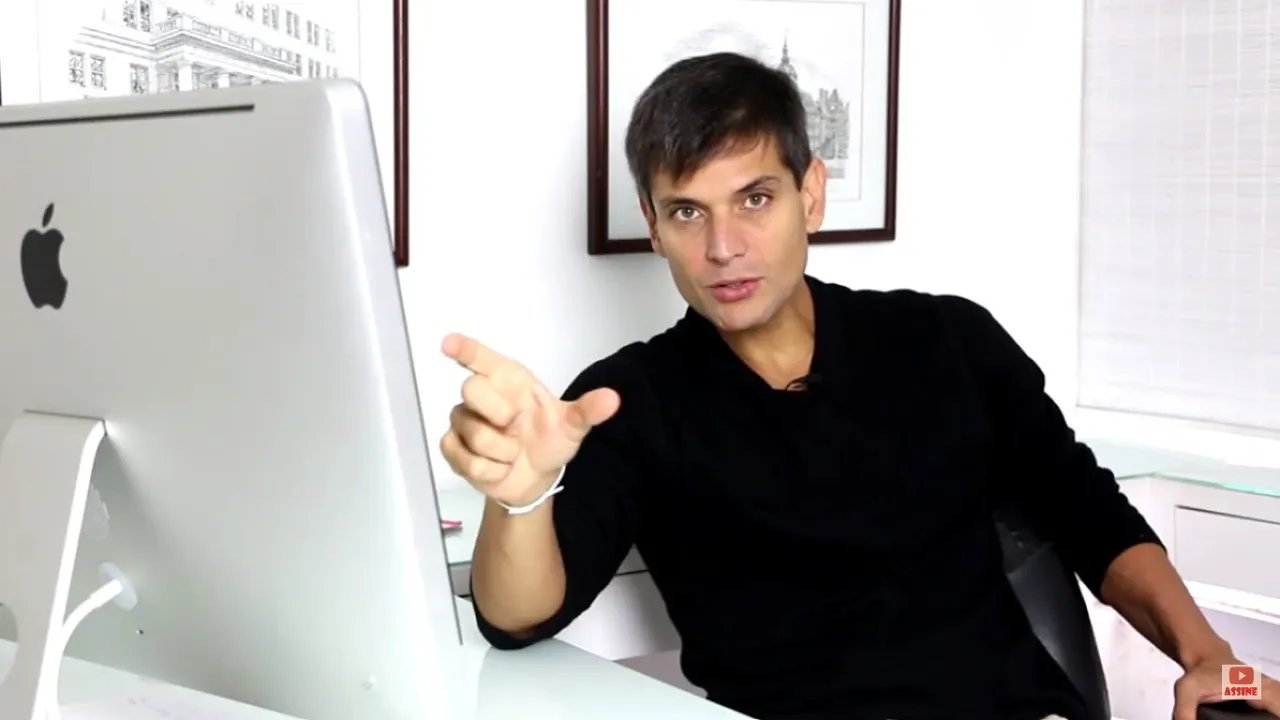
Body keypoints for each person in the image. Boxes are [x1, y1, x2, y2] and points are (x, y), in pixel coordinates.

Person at [438, 52, 1280, 720]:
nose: (723, 247)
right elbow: (518, 618)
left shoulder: (948, 341)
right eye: (688, 211)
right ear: (654, 225)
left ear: (811, 195)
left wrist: (1211, 657)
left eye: (754, 199)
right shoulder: (630, 399)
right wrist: (521, 498)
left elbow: (1090, 514)